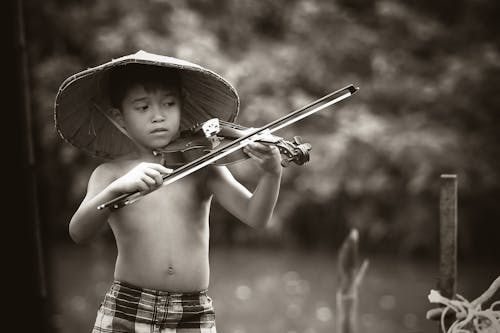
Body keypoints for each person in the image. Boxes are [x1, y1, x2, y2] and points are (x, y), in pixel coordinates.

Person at [54, 50, 283, 332]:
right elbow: (78, 232)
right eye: (142, 107)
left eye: (169, 104)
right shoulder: (110, 175)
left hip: (192, 312)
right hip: (128, 306)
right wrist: (117, 190)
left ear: (181, 107)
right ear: (119, 116)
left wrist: (272, 173)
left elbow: (255, 216)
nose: (158, 116)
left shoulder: (202, 165)